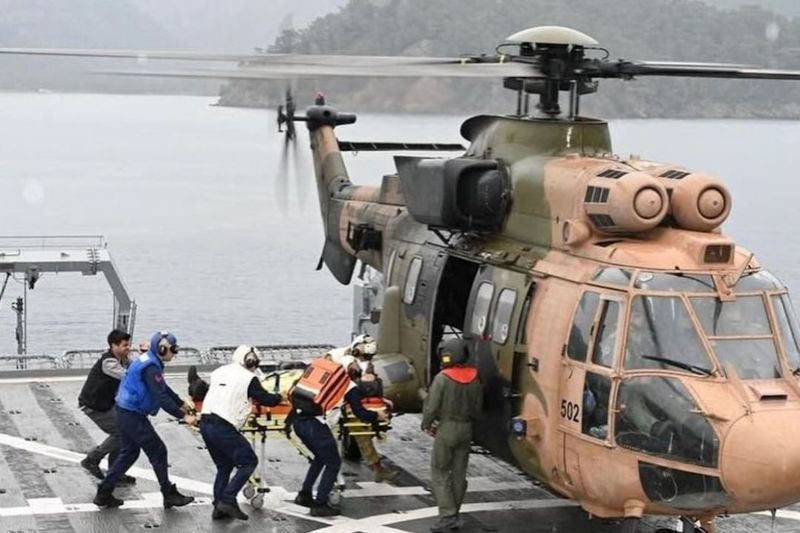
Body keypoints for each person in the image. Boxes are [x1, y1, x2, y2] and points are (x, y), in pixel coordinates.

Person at [93, 331, 197, 509]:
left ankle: (103, 493)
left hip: (124, 411)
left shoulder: (149, 360)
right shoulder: (151, 367)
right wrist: (184, 416)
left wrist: (181, 403)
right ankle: (168, 493)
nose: (175, 353)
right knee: (158, 451)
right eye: (173, 349)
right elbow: (161, 397)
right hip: (132, 415)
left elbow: (162, 387)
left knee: (129, 453)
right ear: (163, 349)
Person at [291, 355, 388, 517]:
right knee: (333, 462)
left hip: (298, 422)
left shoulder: (325, 379)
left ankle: (304, 495)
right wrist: (377, 415)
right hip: (316, 427)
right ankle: (320, 503)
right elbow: (361, 413)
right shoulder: (349, 386)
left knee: (320, 458)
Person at [200, 345, 285, 521]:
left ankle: (218, 508)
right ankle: (228, 499)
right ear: (252, 361)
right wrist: (280, 397)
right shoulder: (249, 378)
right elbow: (265, 399)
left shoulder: (219, 371)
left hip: (206, 423)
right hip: (222, 425)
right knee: (249, 462)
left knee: (224, 466)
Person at [421, 338, 482, 533]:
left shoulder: (443, 378)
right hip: (466, 428)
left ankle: (447, 516)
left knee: (439, 471)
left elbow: (432, 406)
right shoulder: (474, 377)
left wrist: (426, 424)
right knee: (459, 473)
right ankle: (454, 513)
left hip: (447, 427)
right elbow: (478, 407)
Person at [78, 329, 136, 485]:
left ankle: (115, 473)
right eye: (124, 345)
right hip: (93, 404)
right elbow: (129, 377)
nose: (128, 348)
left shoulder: (124, 360)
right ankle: (92, 459)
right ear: (113, 346)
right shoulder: (108, 362)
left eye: (128, 345)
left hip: (106, 403)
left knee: (124, 434)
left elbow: (135, 368)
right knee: (120, 432)